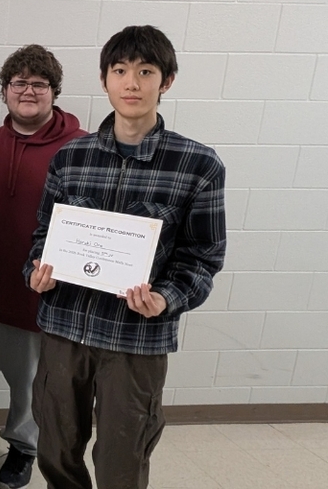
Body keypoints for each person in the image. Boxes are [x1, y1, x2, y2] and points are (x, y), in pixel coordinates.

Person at [25, 25, 226, 489]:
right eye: (120, 71)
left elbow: (204, 255)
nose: (131, 83)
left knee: (122, 457)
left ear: (167, 81)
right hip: (64, 327)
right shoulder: (70, 158)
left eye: (145, 71)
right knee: (54, 449)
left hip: (136, 338)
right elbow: (42, 236)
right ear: (104, 80)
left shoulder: (197, 164)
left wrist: (166, 298)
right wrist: (35, 272)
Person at [0, 45, 86, 488]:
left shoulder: (79, 151)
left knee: (30, 386)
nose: (28, 91)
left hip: (37, 298)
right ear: (4, 91)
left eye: (38, 84)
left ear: (54, 92)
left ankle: (23, 448)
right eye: (19, 83)